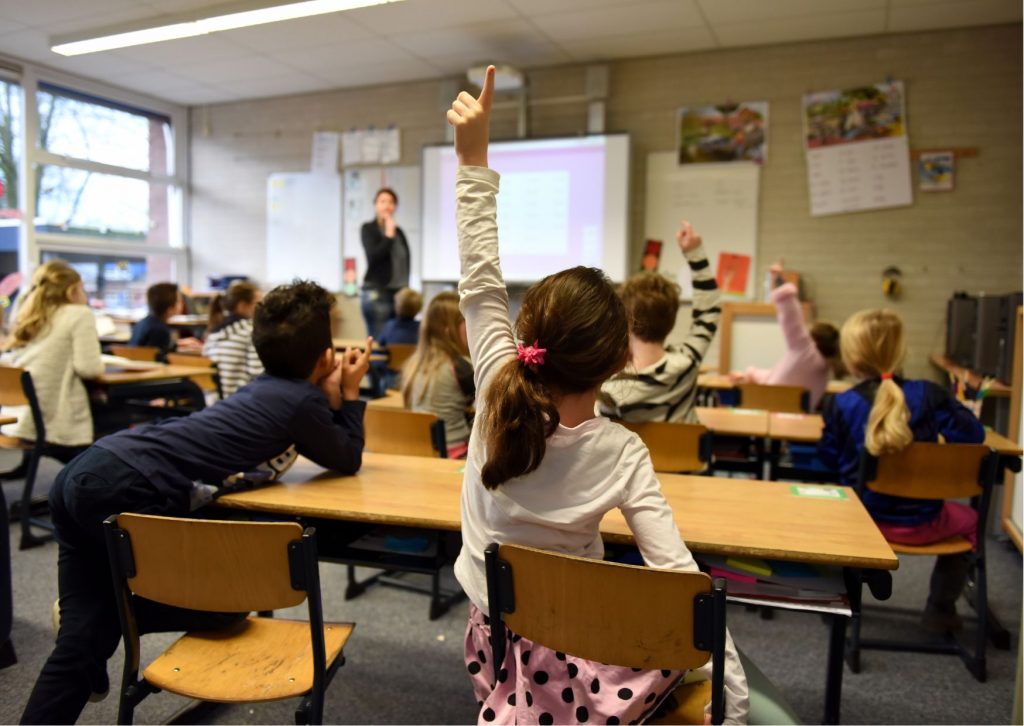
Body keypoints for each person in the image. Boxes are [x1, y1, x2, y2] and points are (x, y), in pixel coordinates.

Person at [447, 66, 748, 725]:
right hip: (584, 641)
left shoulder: (498, 387)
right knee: (650, 617)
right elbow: (680, 577)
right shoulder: (622, 451)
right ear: (615, 362)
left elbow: (479, 278)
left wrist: (473, 160)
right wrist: (734, 695)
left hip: (491, 637)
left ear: (527, 334)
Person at [20, 280, 373, 725]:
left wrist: (330, 394)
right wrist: (352, 393)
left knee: (78, 641)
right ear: (326, 357)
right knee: (228, 606)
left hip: (86, 470)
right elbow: (347, 458)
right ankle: (117, 613)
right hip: (128, 486)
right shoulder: (301, 400)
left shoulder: (260, 388)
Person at [818, 308, 984, 632]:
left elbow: (828, 458)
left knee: (831, 508)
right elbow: (972, 435)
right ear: (900, 352)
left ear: (851, 358)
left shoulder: (841, 403)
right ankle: (940, 607)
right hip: (926, 521)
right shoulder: (930, 395)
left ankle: (841, 597)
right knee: (972, 521)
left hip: (862, 525)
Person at [598, 227, 721, 424]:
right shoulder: (686, 364)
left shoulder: (610, 391)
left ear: (627, 321)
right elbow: (710, 312)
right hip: (683, 455)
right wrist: (695, 252)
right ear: (671, 321)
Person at [1, 261, 103, 454]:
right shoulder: (78, 314)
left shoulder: (29, 312)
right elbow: (89, 369)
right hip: (53, 420)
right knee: (118, 415)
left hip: (19, 415)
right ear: (72, 291)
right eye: (82, 289)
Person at [728, 261, 841, 410]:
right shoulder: (822, 367)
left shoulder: (806, 352)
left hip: (775, 417)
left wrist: (779, 281)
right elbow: (778, 380)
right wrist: (748, 375)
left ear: (814, 339)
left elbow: (791, 316)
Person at [401, 291, 474, 459]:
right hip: (456, 456)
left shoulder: (413, 364)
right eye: (466, 321)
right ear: (450, 331)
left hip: (421, 454)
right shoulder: (459, 367)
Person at [361, 187, 410, 339]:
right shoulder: (369, 229)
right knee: (378, 343)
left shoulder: (399, 232)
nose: (387, 205)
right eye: (382, 201)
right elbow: (374, 257)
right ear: (375, 205)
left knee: (394, 342)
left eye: (391, 202)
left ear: (395, 207)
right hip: (377, 293)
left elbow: (405, 261)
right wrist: (388, 235)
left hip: (398, 295)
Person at [202, 280, 264, 397]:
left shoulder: (213, 334)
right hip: (240, 405)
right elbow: (258, 375)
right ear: (243, 306)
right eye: (259, 304)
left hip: (213, 404)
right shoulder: (251, 332)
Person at [129, 282, 201, 361]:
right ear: (169, 308)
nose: (183, 304)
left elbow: (156, 347)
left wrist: (177, 344)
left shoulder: (143, 323)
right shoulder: (160, 330)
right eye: (179, 301)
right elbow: (160, 358)